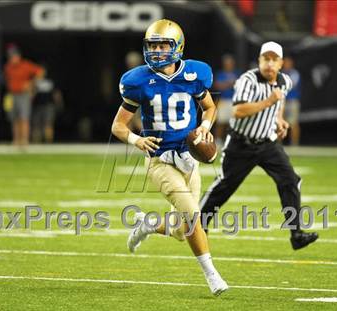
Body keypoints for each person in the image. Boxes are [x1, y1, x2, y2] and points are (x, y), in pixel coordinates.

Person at [111, 19, 228, 296]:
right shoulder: (138, 81)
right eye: (153, 46)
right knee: (192, 215)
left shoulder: (195, 74)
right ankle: (213, 276)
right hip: (159, 159)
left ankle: (148, 224)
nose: (157, 51)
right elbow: (117, 125)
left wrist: (204, 127)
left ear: (178, 47)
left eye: (163, 45)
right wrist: (137, 139)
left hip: (188, 159)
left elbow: (210, 108)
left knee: (181, 230)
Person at [199, 41, 318, 250]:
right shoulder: (248, 80)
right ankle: (199, 223)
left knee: (291, 180)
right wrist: (269, 101)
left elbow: (279, 103)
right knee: (225, 186)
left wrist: (279, 120)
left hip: (267, 143)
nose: (270, 64)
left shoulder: (285, 81)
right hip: (240, 144)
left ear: (281, 63)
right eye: (266, 59)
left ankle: (296, 234)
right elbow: (238, 111)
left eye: (274, 59)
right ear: (260, 60)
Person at [4, 45, 44, 147]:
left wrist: (31, 84)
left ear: (18, 56)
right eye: (11, 56)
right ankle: (16, 140)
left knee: (24, 118)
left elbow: (41, 71)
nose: (12, 58)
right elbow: (8, 80)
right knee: (14, 119)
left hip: (23, 95)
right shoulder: (8, 67)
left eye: (14, 56)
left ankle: (24, 140)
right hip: (12, 95)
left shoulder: (25, 65)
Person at [31, 65, 63, 143]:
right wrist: (34, 83)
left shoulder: (50, 80)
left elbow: (56, 93)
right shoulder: (33, 81)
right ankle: (36, 143)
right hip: (37, 105)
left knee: (48, 124)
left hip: (49, 105)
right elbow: (30, 94)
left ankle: (48, 142)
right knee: (36, 125)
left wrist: (59, 103)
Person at [213, 54, 238, 146]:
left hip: (234, 101)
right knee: (221, 122)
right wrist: (229, 84)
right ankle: (218, 141)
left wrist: (228, 84)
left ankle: (230, 141)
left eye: (230, 63)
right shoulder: (220, 74)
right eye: (227, 63)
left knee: (232, 123)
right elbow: (218, 85)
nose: (229, 65)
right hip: (223, 101)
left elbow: (239, 86)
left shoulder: (236, 73)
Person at [283, 56, 301, 145]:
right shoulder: (281, 73)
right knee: (279, 123)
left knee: (294, 123)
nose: (287, 65)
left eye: (288, 63)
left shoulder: (295, 73)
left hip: (292, 101)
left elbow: (290, 85)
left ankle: (294, 144)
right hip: (282, 102)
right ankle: (277, 145)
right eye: (285, 63)